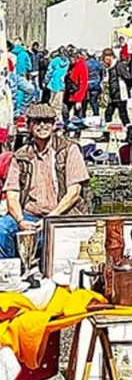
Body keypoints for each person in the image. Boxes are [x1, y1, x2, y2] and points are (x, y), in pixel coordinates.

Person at [0, 104, 89, 258]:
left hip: (62, 214)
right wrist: (20, 220)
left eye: (47, 121)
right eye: (37, 121)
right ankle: (11, 271)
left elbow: (74, 192)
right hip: (29, 215)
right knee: (2, 229)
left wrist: (50, 218)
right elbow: (12, 194)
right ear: (28, 126)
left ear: (54, 124)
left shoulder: (69, 150)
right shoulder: (20, 155)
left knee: (49, 239)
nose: (42, 126)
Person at [102, 48, 132, 126]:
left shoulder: (119, 66)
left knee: (123, 114)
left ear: (110, 57)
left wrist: (128, 89)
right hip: (113, 95)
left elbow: (128, 77)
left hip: (121, 94)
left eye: (105, 59)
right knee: (108, 114)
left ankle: (130, 133)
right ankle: (106, 134)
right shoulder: (109, 68)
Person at [66, 50, 90, 119]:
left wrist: (79, 100)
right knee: (65, 113)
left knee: (79, 117)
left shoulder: (82, 65)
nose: (71, 59)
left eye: (73, 57)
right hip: (70, 94)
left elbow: (83, 84)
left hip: (79, 95)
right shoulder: (71, 66)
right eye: (70, 58)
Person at [86, 52, 103, 116]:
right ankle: (96, 115)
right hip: (96, 84)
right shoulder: (98, 63)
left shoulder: (85, 63)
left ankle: (83, 116)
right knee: (94, 101)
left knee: (85, 102)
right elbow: (101, 74)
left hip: (87, 84)